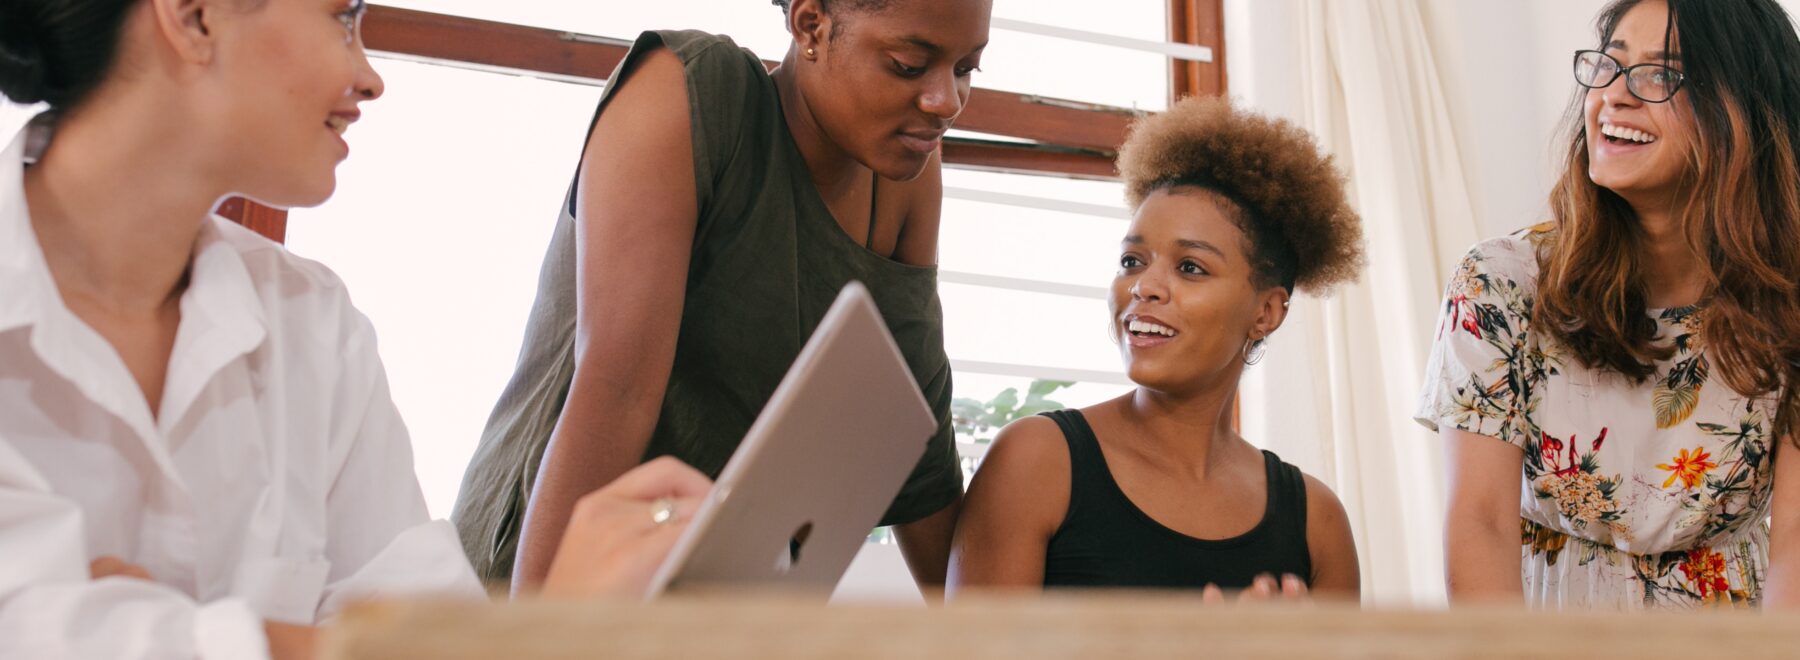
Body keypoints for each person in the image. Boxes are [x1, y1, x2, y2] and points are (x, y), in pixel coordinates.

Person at [0, 0, 710, 657]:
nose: (369, 78)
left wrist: (152, 623)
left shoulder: (314, 324)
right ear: (193, 16)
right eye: (343, 17)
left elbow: (430, 628)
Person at [451, 0, 992, 594]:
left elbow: (917, 436)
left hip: (717, 599)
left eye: (967, 68)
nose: (946, 101)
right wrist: (542, 634)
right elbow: (618, 387)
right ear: (811, 25)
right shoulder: (690, 89)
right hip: (548, 579)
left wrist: (994, 635)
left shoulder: (906, 176)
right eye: (909, 65)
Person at [1424, 0, 1800, 609]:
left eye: (1662, 74)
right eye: (1610, 65)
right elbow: (1479, 524)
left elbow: (1797, 547)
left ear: (1745, 112)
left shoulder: (1789, 302)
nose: (1615, 96)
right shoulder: (1499, 285)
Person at [946, 96, 1363, 600]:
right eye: (1132, 261)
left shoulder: (1317, 523)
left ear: (1266, 312)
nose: (1145, 286)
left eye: (1190, 267)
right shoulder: (1036, 462)